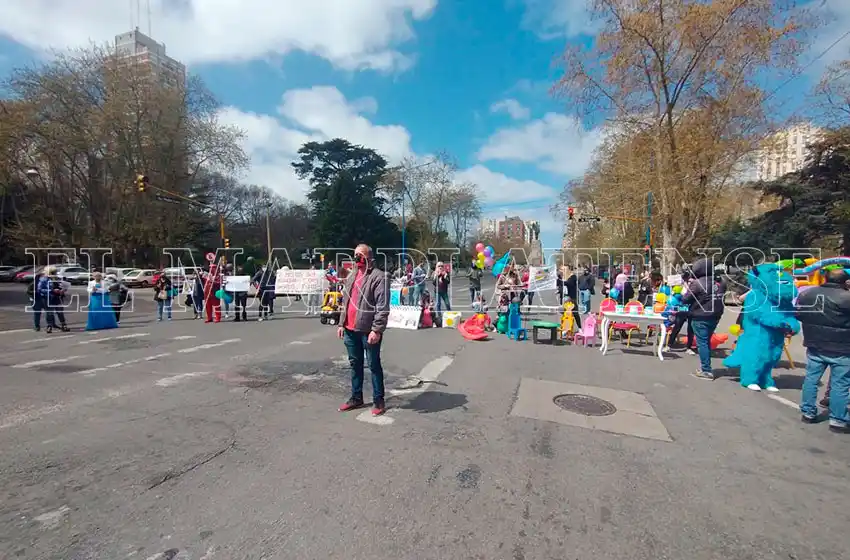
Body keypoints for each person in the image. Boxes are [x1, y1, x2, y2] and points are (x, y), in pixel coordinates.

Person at [337, 244, 390, 416]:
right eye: (355, 256)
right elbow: (345, 301)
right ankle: (356, 396)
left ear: (369, 257)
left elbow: (382, 306)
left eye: (360, 256)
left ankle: (378, 400)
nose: (357, 259)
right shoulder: (352, 275)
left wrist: (377, 329)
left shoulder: (379, 277)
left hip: (368, 330)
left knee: (374, 365)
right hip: (350, 329)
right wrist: (340, 324)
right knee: (355, 364)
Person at [797, 269, 850, 433]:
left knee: (811, 379)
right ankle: (838, 420)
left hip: (815, 344)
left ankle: (807, 412)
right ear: (845, 281)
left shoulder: (807, 294)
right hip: (842, 348)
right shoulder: (846, 297)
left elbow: (799, 314)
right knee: (840, 384)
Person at [680, 258, 725, 380]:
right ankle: (706, 367)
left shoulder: (698, 283)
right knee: (706, 341)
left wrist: (686, 287)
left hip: (700, 315)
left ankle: (706, 370)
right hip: (716, 315)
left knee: (702, 343)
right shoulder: (721, 282)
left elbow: (685, 299)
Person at [40, 267, 70, 333]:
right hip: (48, 298)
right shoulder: (43, 280)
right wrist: (52, 290)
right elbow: (40, 289)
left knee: (60, 312)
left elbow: (63, 286)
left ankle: (63, 325)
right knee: (49, 313)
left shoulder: (57, 279)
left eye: (55, 272)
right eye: (53, 272)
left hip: (57, 297)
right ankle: (49, 326)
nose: (55, 273)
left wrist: (63, 290)